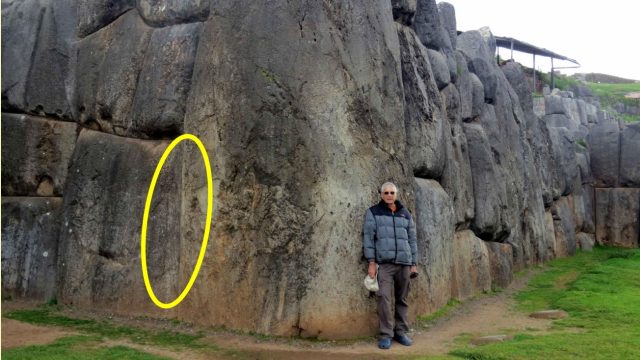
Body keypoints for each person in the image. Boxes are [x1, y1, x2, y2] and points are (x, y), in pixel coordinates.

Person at [363, 182, 418, 350]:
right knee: (384, 299)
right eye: (386, 192)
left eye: (392, 192)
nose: (389, 195)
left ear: (396, 194)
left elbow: (412, 240)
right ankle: (386, 334)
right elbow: (368, 239)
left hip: (404, 263)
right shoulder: (373, 212)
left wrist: (414, 263)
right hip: (384, 265)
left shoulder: (405, 214)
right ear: (381, 194)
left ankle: (401, 332)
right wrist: (371, 262)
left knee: (402, 299)